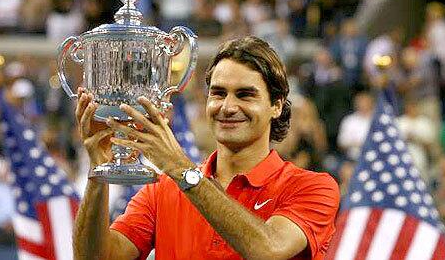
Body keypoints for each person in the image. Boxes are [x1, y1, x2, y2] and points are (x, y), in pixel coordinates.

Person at [73, 36, 340, 259]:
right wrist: (100, 170)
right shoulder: (162, 191)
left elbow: (268, 250)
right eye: (218, 93)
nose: (228, 107)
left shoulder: (313, 187)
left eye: (245, 94)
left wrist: (181, 170)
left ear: (276, 105)